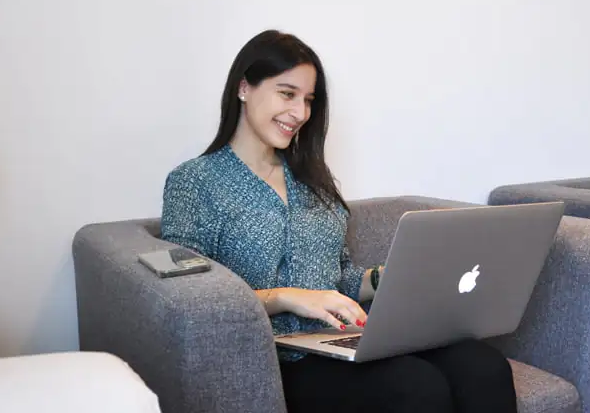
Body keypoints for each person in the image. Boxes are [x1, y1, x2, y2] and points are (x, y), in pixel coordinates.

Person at [160, 30, 517, 413]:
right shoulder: (194, 182)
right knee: (415, 387)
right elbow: (188, 299)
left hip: (340, 338)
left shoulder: (311, 178)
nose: (300, 113)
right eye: (287, 94)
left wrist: (387, 277)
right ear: (244, 87)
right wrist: (286, 297)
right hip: (276, 358)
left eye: (308, 100)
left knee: (484, 366)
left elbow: (339, 277)